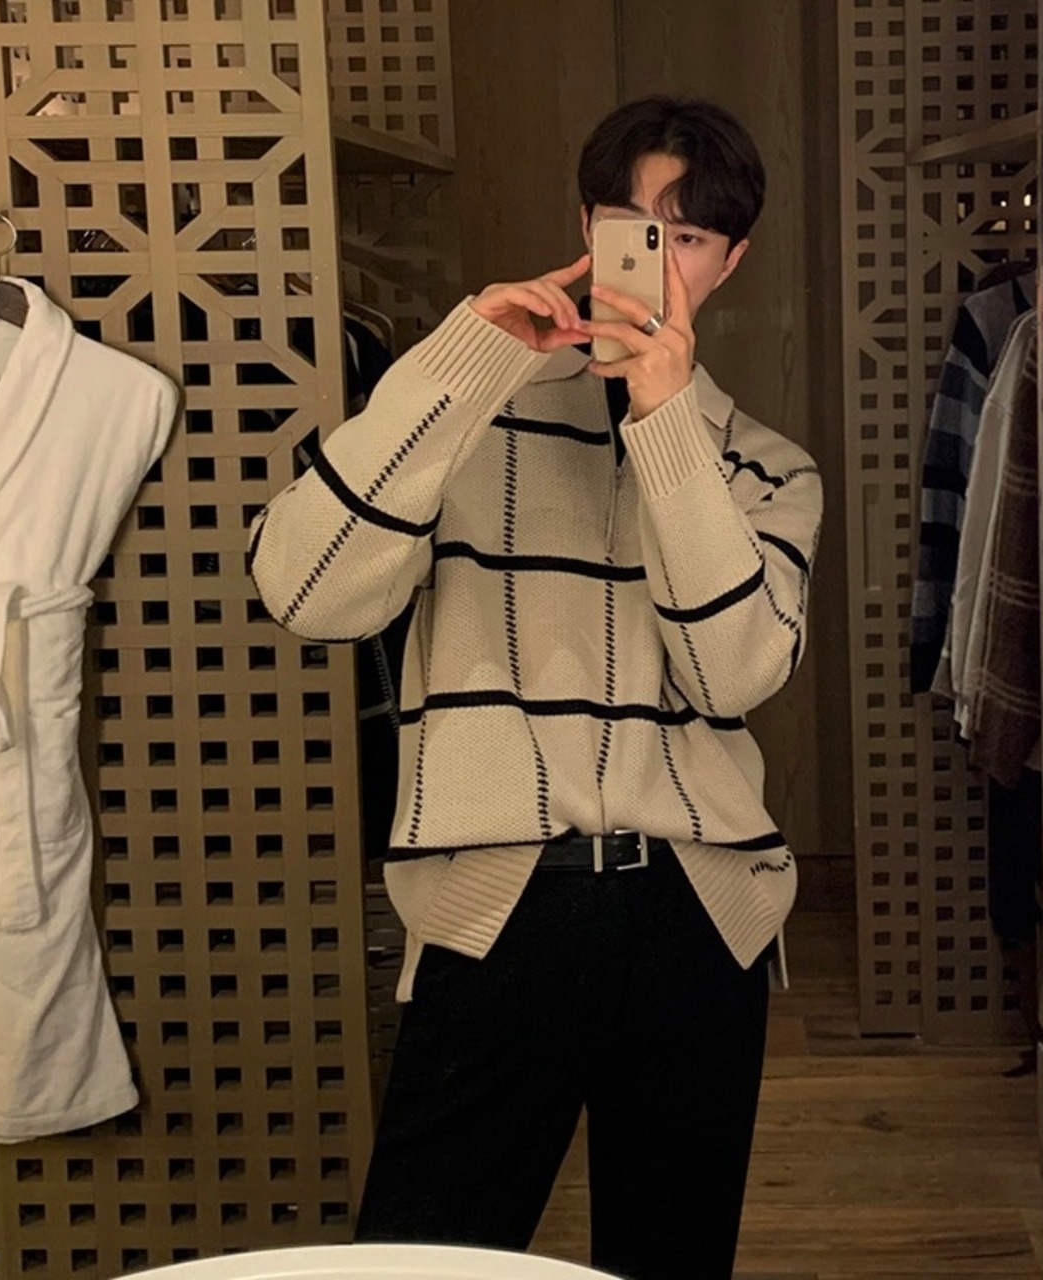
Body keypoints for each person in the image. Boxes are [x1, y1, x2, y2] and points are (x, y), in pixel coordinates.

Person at [249, 95, 823, 1280]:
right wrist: (458, 364)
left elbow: (732, 672)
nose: (655, 258)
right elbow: (305, 590)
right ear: (584, 226)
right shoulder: (467, 417)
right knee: (422, 1263)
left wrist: (667, 427)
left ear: (730, 262)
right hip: (495, 898)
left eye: (687, 234)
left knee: (669, 1258)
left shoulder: (767, 467)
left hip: (699, 910)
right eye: (629, 223)